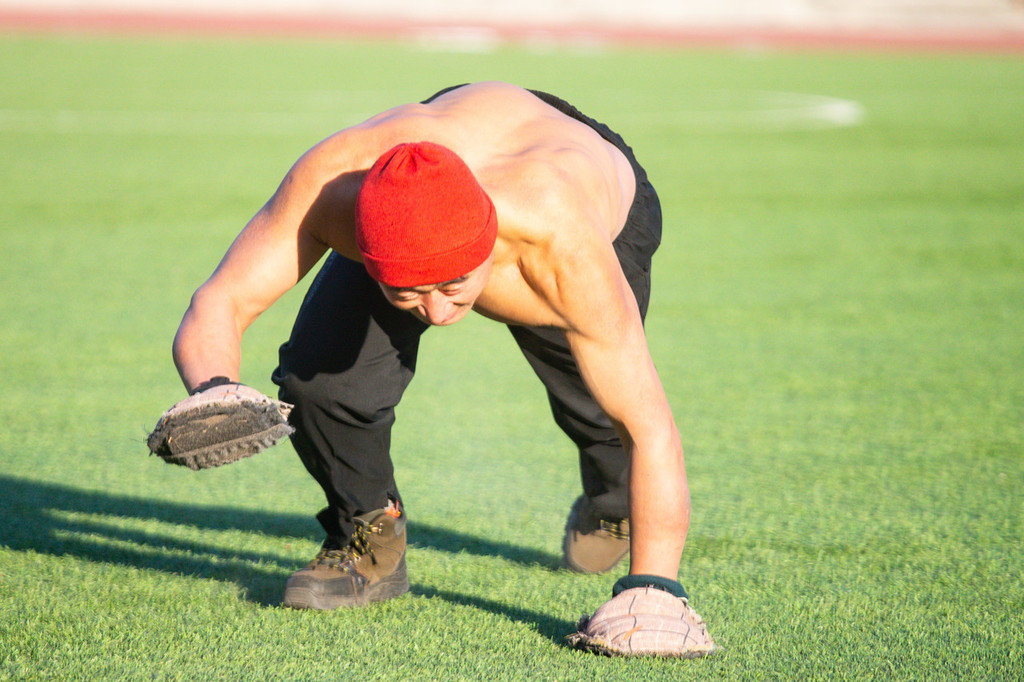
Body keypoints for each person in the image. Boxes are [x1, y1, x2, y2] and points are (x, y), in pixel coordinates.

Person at [171, 81, 692, 613]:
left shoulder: (564, 241)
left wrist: (655, 588)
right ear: (369, 252)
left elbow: (649, 427)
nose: (440, 314)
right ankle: (370, 536)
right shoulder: (333, 189)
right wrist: (214, 390)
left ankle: (611, 502)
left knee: (602, 401)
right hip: (446, 144)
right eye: (410, 292)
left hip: (582, 180)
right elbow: (222, 299)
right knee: (320, 380)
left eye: (453, 288)